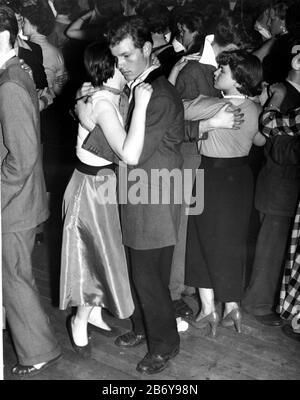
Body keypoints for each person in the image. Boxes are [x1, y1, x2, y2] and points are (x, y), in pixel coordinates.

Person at [80, 15, 184, 375]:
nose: (119, 65)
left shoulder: (156, 94)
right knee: (138, 271)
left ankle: (165, 344)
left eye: (126, 56)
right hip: (139, 191)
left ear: (146, 49)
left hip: (153, 196)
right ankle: (143, 327)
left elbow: (132, 153)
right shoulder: (141, 86)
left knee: (149, 276)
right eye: (116, 57)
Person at [60, 40, 152, 357]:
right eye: (121, 59)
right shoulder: (101, 102)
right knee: (91, 257)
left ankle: (94, 311)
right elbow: (127, 152)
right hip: (91, 187)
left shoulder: (104, 95)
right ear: (110, 66)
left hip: (102, 184)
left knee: (104, 255)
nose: (127, 64)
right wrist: (140, 104)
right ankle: (79, 320)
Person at [184, 50, 265, 336]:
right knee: (230, 243)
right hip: (241, 179)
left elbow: (175, 109)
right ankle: (233, 307)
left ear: (238, 80)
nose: (215, 73)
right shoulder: (255, 109)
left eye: (222, 70)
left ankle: (208, 311)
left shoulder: (215, 106)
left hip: (212, 177)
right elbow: (259, 140)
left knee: (199, 241)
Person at [0, 5, 61, 377]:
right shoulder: (14, 71)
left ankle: (39, 350)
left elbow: (20, 159)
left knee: (14, 277)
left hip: (13, 202)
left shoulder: (9, 84)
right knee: (17, 274)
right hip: (19, 199)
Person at [243, 49, 300, 326]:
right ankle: (258, 305)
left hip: (284, 190)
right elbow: (275, 147)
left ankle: (269, 302)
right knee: (271, 250)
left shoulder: (283, 95)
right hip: (279, 189)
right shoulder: (283, 94)